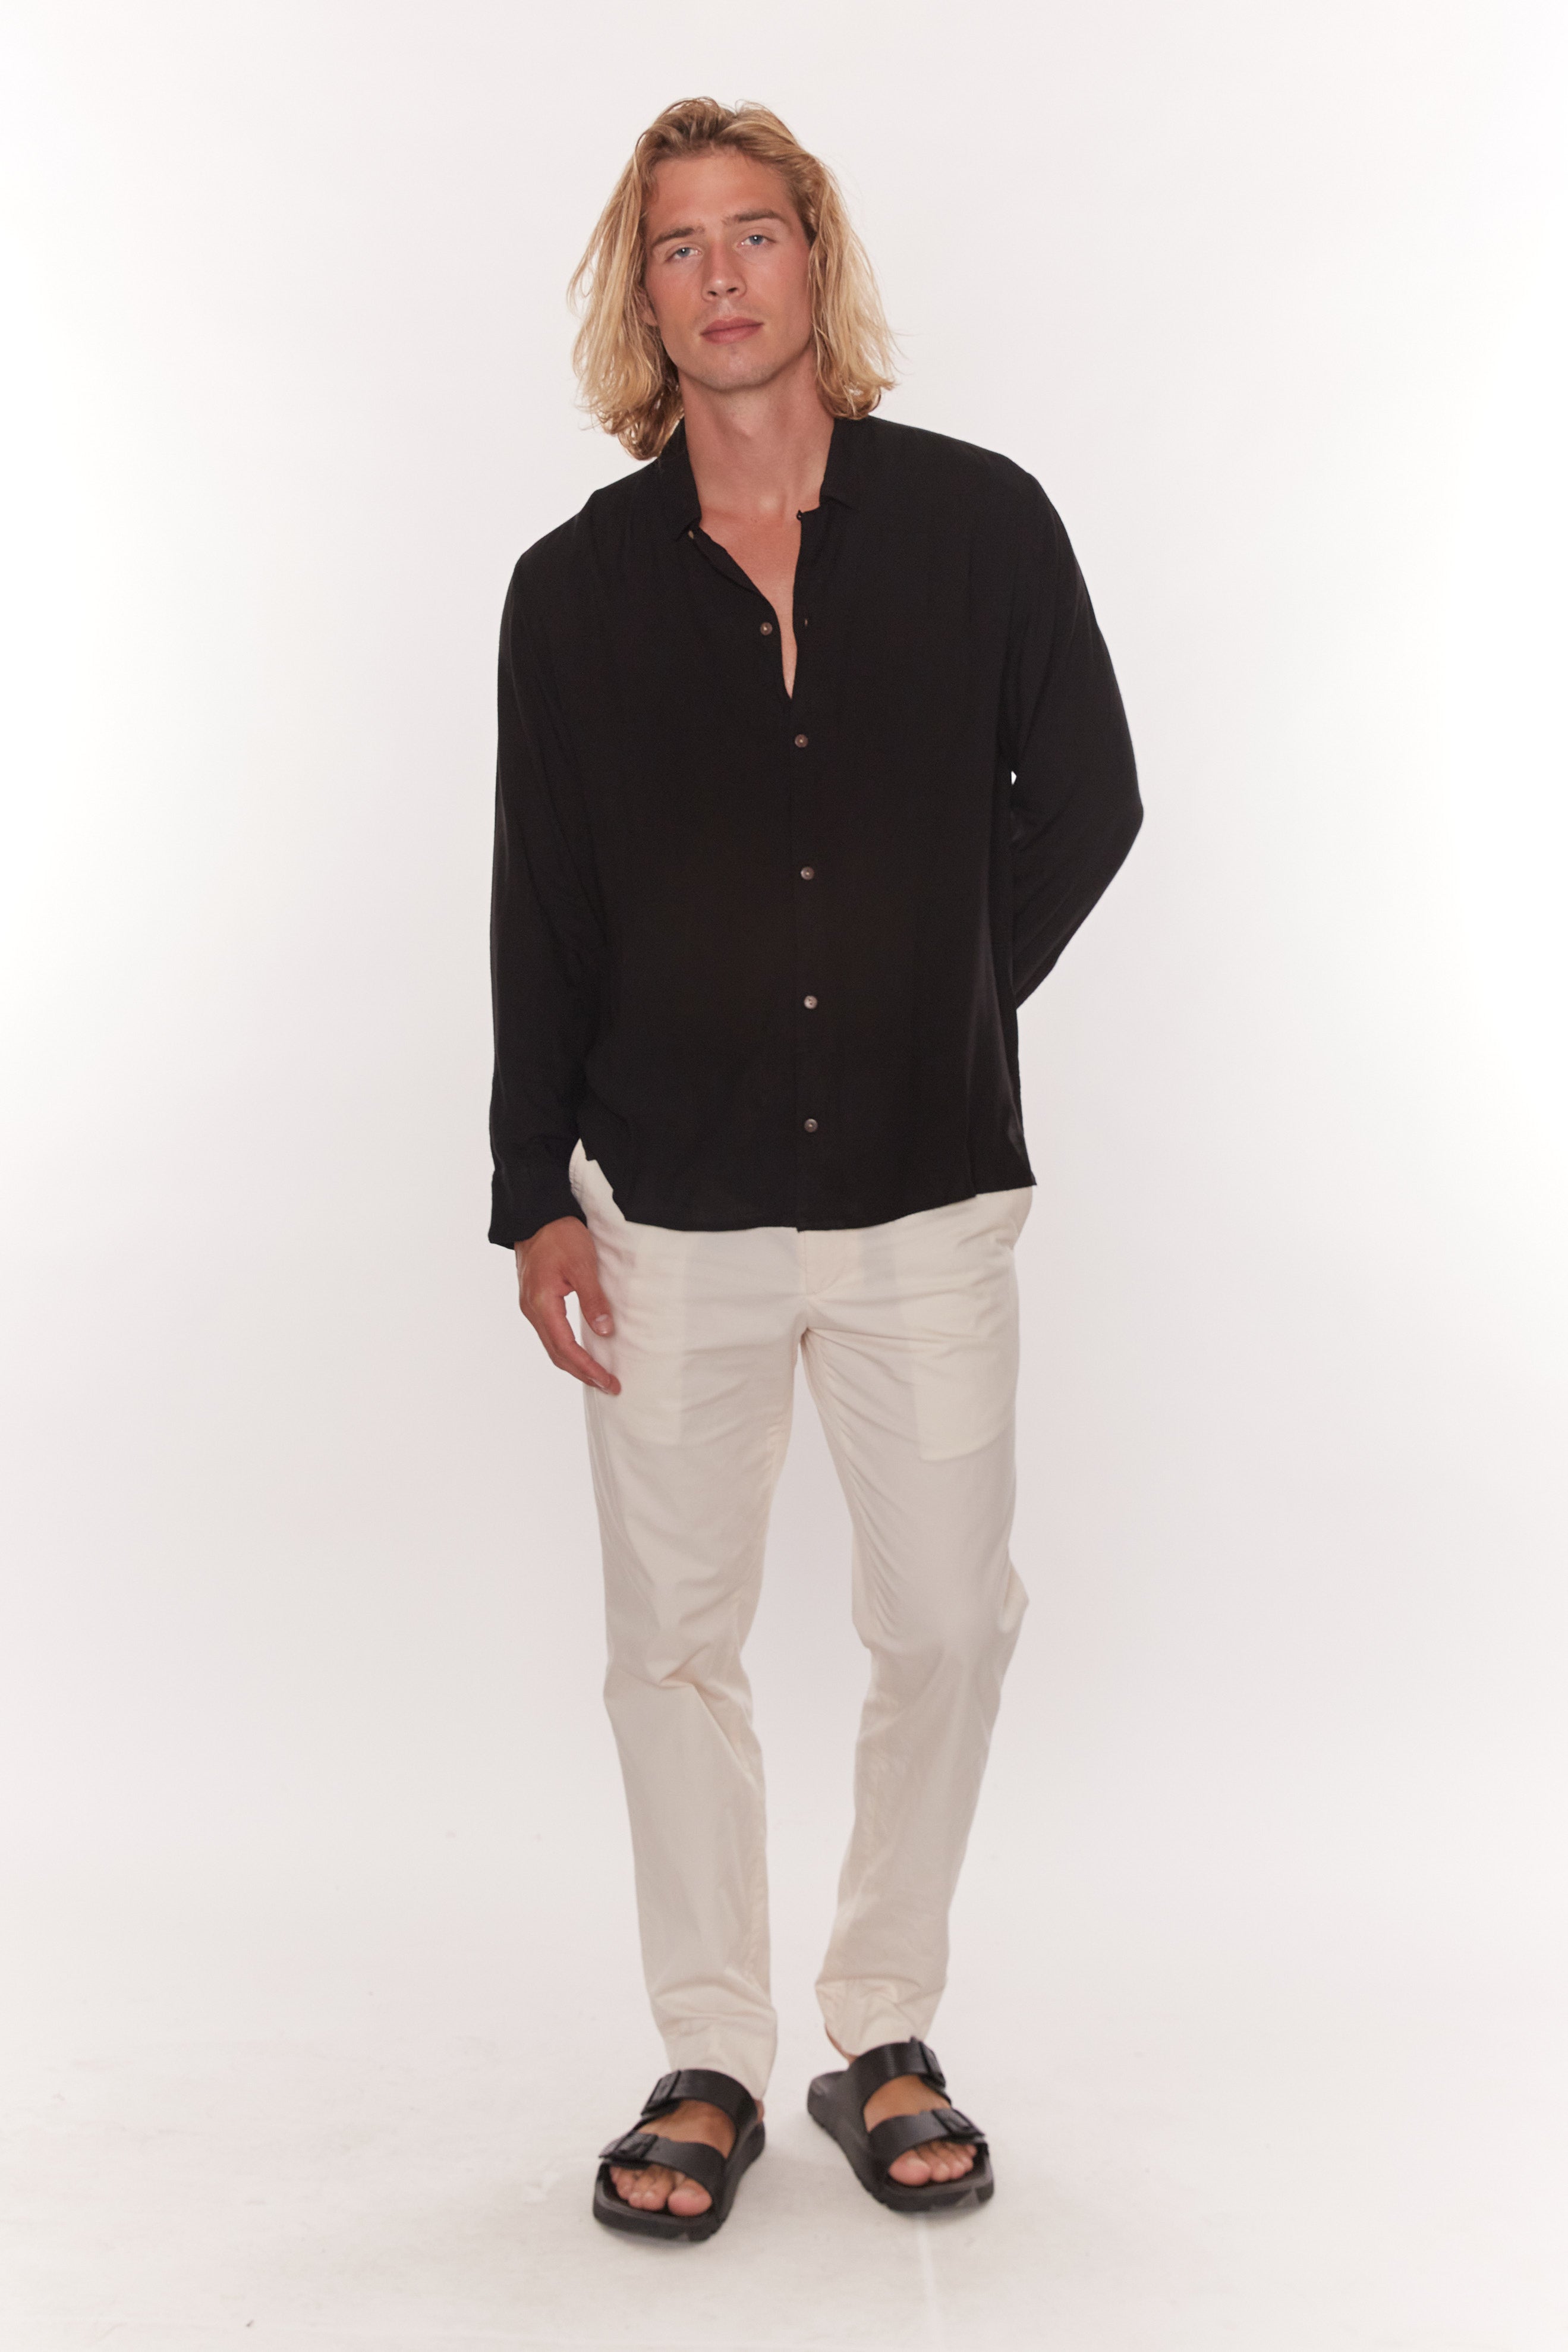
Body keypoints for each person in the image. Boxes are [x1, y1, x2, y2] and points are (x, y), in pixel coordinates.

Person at [489, 97, 1141, 2241]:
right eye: (679, 246)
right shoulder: (572, 592)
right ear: (643, 294)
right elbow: (541, 899)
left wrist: (939, 984)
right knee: (670, 1642)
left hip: (926, 1190)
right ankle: (707, 2046)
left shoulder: (981, 524)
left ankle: (883, 2024)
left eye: (754, 233)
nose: (723, 277)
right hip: (666, 1203)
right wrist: (532, 1179)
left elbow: (1092, 792)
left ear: (814, 259)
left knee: (947, 1619)